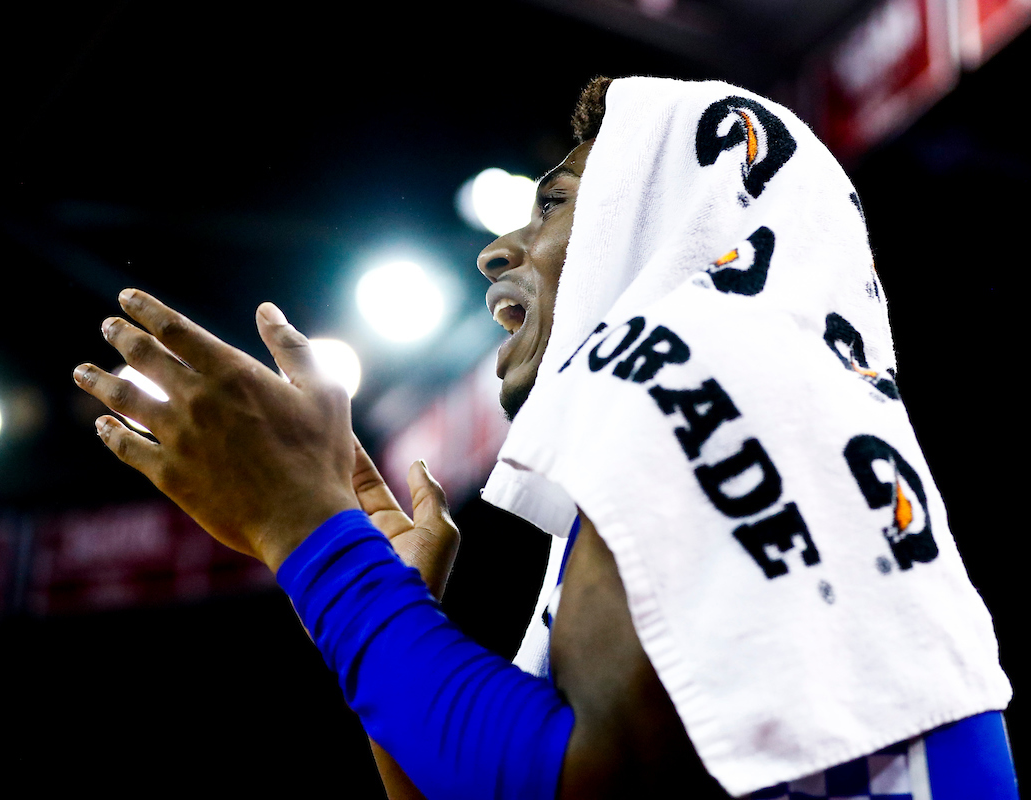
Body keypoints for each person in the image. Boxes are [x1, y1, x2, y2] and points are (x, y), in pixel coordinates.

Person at [72, 77, 1015, 799]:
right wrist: (391, 600)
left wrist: (306, 533)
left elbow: (586, 788)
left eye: (557, 204)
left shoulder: (696, 360)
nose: (499, 249)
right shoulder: (774, 392)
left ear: (670, 223)